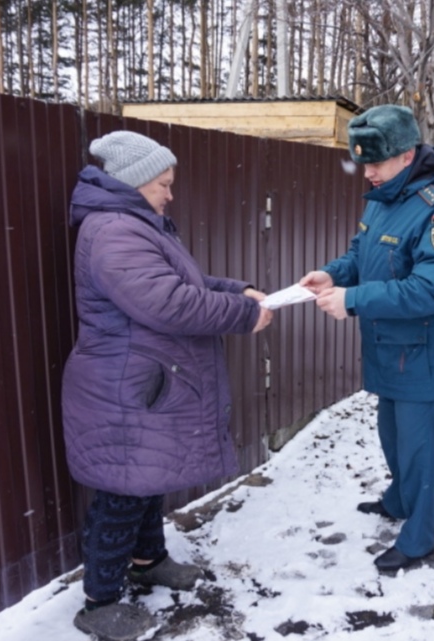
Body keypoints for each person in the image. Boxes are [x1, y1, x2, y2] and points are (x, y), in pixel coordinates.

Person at [61, 130, 273, 640]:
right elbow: (166, 303)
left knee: (146, 477)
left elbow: (183, 284)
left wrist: (237, 290)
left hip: (144, 380)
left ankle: (147, 560)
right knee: (122, 492)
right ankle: (99, 602)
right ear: (134, 183)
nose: (170, 194)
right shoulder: (114, 231)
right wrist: (242, 314)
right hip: (126, 385)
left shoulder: (135, 224)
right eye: (163, 184)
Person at [299, 105, 434, 573]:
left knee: (419, 450)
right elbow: (361, 253)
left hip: (423, 355)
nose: (368, 173)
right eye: (363, 163)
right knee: (392, 436)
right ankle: (398, 499)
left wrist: (353, 299)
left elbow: (432, 290)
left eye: (375, 162)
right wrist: (332, 274)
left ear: (407, 155)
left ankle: (418, 538)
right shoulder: (383, 197)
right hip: (388, 348)